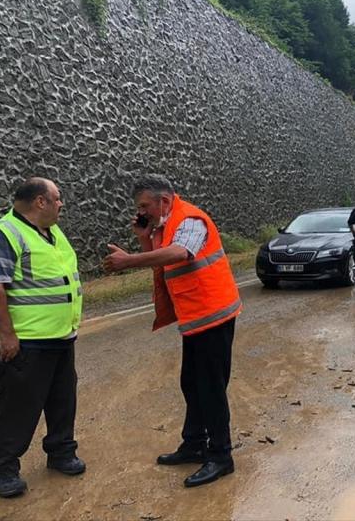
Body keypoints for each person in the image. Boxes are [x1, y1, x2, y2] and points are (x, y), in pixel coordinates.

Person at [102, 175, 241, 488]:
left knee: (211, 388)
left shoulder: (190, 220)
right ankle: (194, 444)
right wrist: (143, 237)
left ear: (163, 200)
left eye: (144, 206)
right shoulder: (166, 224)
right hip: (195, 318)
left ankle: (221, 456)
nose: (142, 212)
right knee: (191, 383)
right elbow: (163, 262)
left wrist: (128, 261)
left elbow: (180, 254)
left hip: (213, 315)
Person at [0, 177, 85, 498]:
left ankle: (61, 451)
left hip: (59, 337)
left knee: (62, 399)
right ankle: (3, 468)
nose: (61, 203)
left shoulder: (51, 232)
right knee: (18, 405)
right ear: (40, 201)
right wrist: (6, 336)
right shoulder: (2, 234)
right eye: (57, 197)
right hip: (23, 342)